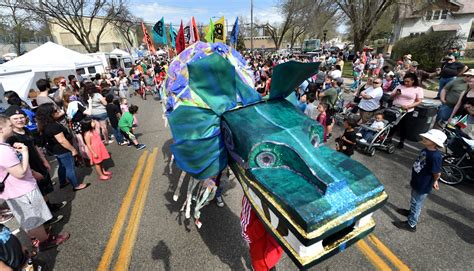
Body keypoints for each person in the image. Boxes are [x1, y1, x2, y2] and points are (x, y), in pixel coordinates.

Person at [0, 115, 70, 251]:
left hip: (13, 191)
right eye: (9, 125)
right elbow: (20, 173)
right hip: (22, 190)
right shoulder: (4, 150)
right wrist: (24, 153)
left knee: (28, 219)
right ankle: (45, 241)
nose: (12, 127)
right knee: (35, 218)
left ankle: (37, 237)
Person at [5, 105, 67, 217]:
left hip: (38, 163)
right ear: (9, 120)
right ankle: (47, 218)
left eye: (22, 117)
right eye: (16, 118)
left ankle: (50, 207)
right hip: (29, 168)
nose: (20, 120)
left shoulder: (26, 130)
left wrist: (44, 160)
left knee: (45, 188)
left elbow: (35, 146)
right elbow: (17, 159)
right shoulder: (11, 137)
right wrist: (32, 172)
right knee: (37, 193)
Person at [393, 129, 446, 232]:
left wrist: (435, 181)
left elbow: (437, 172)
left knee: (416, 203)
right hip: (417, 180)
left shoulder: (435, 156)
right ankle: (411, 212)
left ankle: (411, 224)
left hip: (423, 184)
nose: (424, 139)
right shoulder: (425, 150)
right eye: (425, 137)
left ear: (435, 142)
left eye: (428, 138)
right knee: (414, 200)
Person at [35, 103, 90, 191]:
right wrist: (73, 150)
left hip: (56, 150)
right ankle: (76, 185)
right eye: (55, 110)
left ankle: (62, 181)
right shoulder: (53, 126)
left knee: (62, 166)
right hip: (63, 150)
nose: (57, 111)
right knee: (70, 167)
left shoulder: (45, 124)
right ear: (50, 114)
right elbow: (62, 140)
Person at [390, 73, 424, 149]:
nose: (406, 83)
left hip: (407, 110)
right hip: (395, 108)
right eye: (405, 81)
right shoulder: (400, 86)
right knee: (392, 124)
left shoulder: (418, 89)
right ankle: (389, 137)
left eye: (408, 81)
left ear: (413, 81)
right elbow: (391, 95)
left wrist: (409, 106)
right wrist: (395, 94)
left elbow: (419, 101)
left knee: (403, 127)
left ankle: (401, 141)